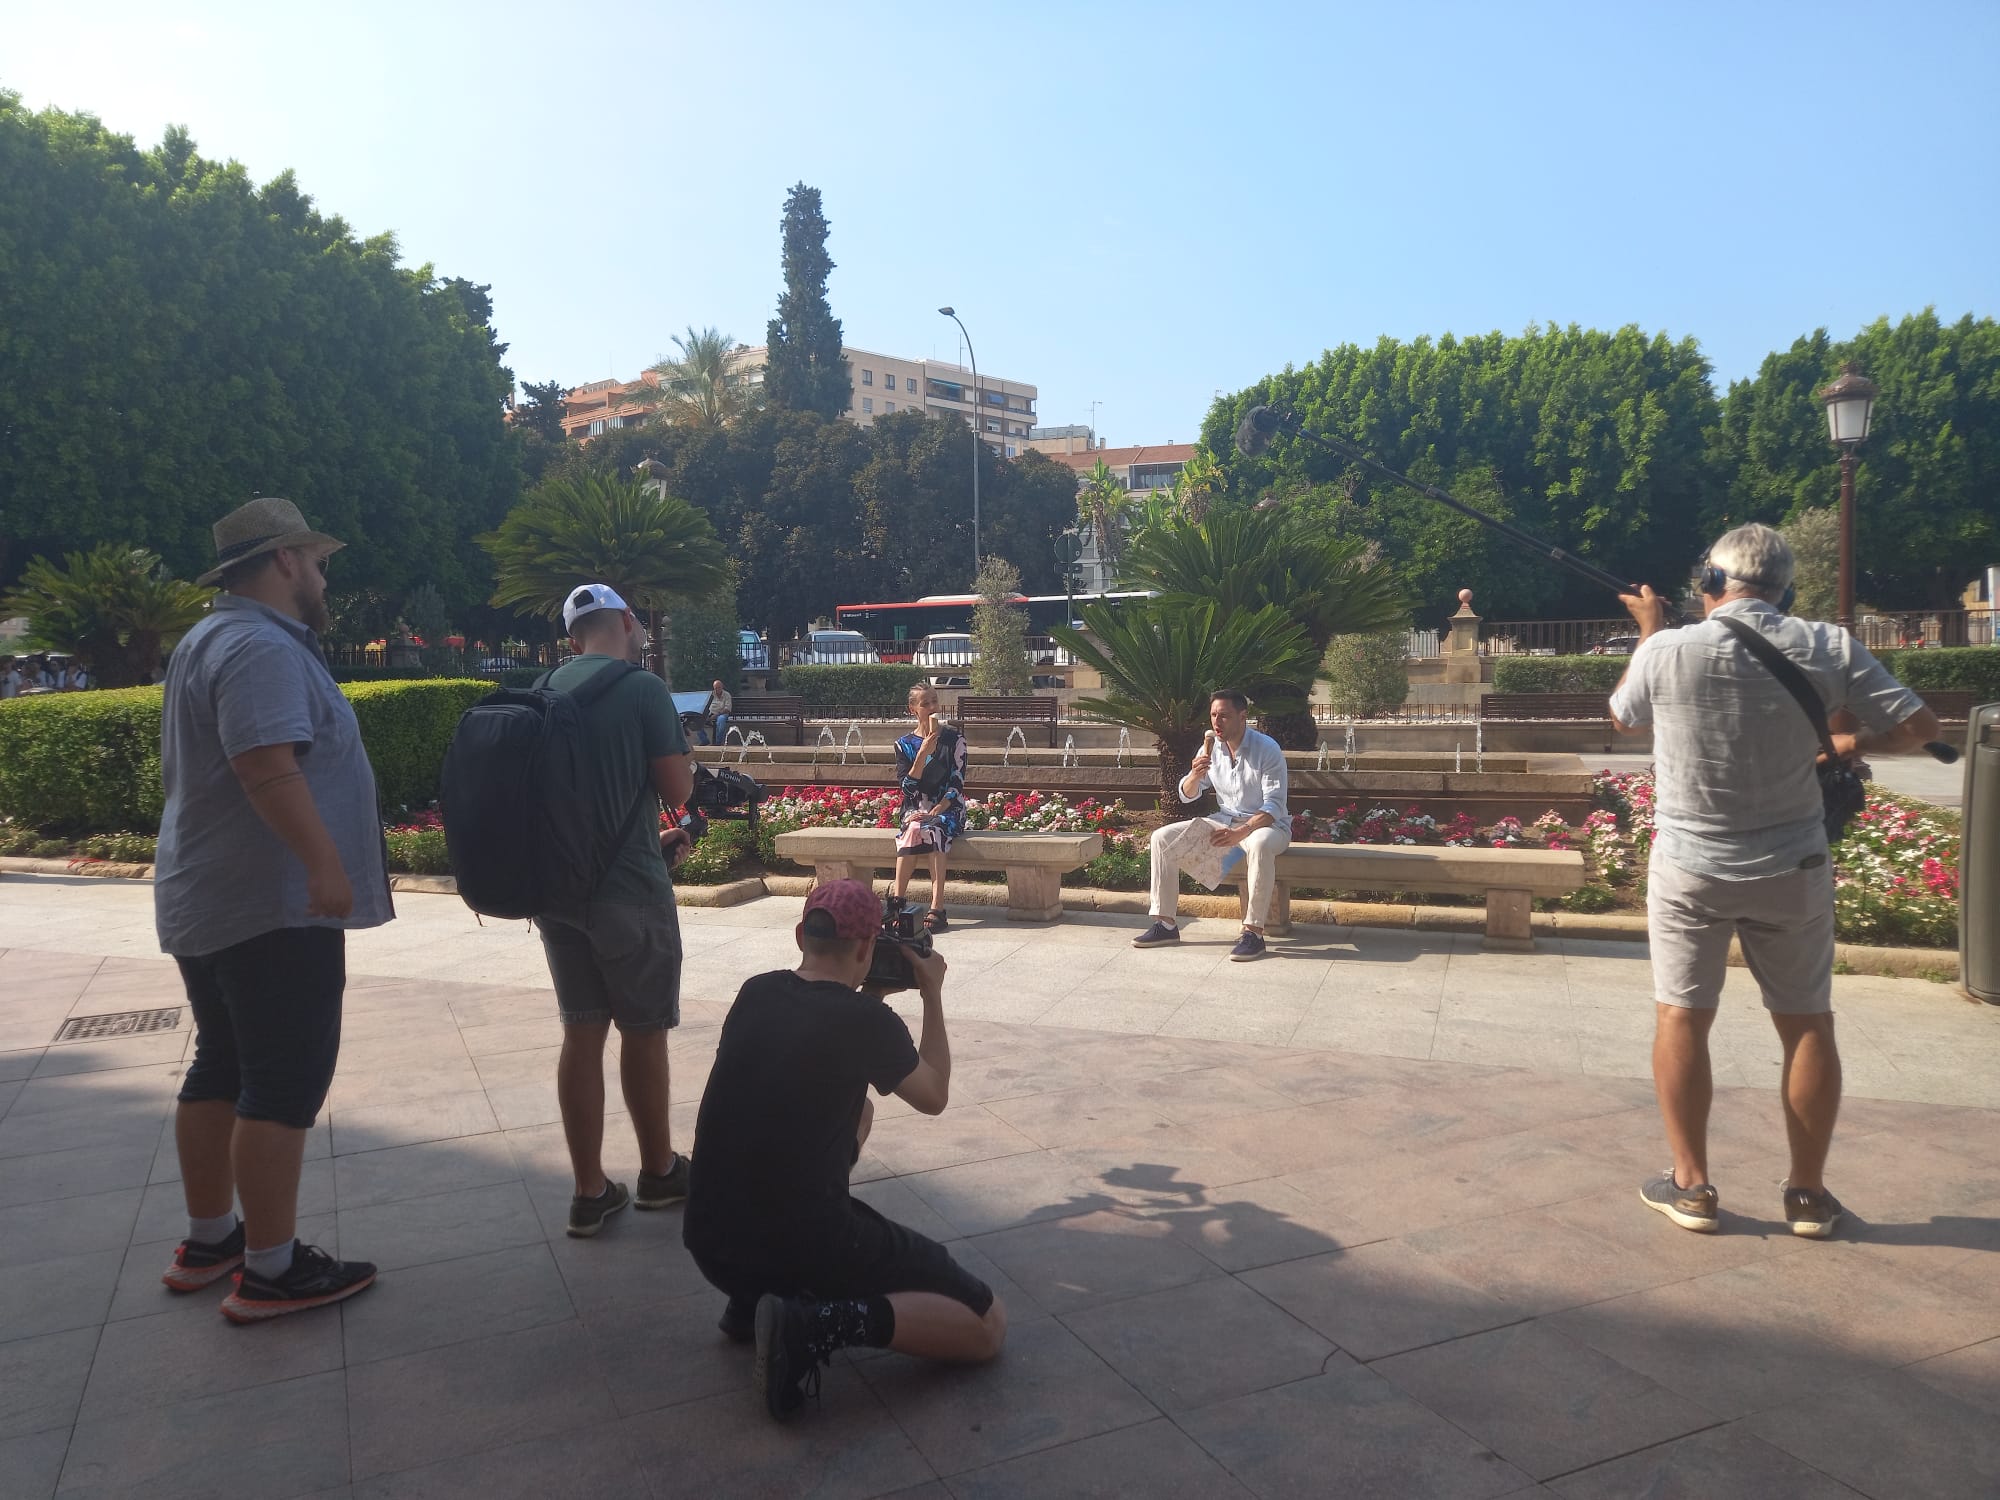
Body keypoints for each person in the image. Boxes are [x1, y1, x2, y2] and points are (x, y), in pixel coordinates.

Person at [1611, 522, 1939, 1240]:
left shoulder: (1667, 648)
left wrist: (1649, 629)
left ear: (1711, 585)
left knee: (1682, 1016)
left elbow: (1624, 715)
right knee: (1806, 1021)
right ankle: (1808, 1196)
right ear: (1785, 588)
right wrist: (1855, 740)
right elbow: (1920, 725)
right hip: (1794, 862)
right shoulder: (1827, 646)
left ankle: (1691, 1187)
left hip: (1691, 866)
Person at [153, 497, 389, 1321]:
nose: (323, 578)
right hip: (271, 904)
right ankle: (272, 1268)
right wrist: (323, 863)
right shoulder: (256, 644)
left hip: (214, 894)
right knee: (282, 1079)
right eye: (318, 563)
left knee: (222, 1062)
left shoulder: (209, 639)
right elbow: (266, 767)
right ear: (285, 561)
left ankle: (213, 1238)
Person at [683, 879, 1006, 1421]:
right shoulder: (865, 1022)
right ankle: (816, 1323)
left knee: (859, 1109)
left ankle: (754, 1300)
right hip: (802, 1242)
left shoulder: (755, 992)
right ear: (866, 948)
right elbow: (934, 1096)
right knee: (985, 1324)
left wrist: (870, 993)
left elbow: (811, 1054)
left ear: (799, 936)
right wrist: (932, 993)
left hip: (711, 1243)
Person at [536, 583, 696, 1238]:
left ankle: (588, 1190)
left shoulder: (545, 689)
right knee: (643, 1029)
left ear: (574, 639)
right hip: (630, 890)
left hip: (558, 894)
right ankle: (658, 1172)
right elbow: (678, 788)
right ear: (629, 623)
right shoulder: (641, 690)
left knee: (581, 1032)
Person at [1132, 688, 1291, 962]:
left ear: (1243, 717)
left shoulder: (1267, 749)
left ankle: (1253, 933)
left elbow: (1274, 807)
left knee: (1260, 843)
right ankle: (1166, 925)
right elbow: (1187, 794)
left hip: (1268, 827)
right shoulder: (1211, 747)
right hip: (1225, 822)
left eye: (1224, 716)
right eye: (1213, 715)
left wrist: (1240, 832)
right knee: (1160, 837)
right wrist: (1195, 774)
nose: (1217, 723)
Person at [892, 684, 967, 932]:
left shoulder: (954, 739)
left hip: (948, 807)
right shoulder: (904, 745)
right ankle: (897, 902)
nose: (932, 708)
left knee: (934, 828)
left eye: (934, 702)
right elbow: (907, 789)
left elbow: (958, 779)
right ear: (913, 709)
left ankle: (937, 907)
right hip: (916, 806)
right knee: (913, 829)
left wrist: (942, 806)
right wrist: (923, 754)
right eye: (925, 704)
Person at [704, 678, 733, 746]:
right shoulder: (711, 695)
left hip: (722, 713)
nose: (717, 689)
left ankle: (718, 743)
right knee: (697, 721)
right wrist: (707, 715)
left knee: (721, 720)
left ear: (722, 687)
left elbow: (727, 709)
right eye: (716, 688)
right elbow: (705, 706)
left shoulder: (727, 695)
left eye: (719, 687)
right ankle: (704, 740)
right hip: (710, 713)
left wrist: (716, 715)